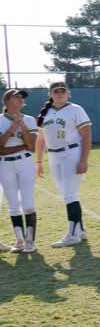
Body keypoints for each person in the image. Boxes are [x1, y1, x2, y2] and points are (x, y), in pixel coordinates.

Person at [33, 81, 92, 247]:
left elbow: (86, 135)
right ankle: (80, 230)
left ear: (68, 94)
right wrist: (38, 161)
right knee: (67, 194)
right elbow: (40, 139)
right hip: (53, 156)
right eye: (56, 91)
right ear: (50, 95)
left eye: (62, 91)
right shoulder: (45, 112)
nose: (59, 94)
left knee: (70, 194)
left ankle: (72, 235)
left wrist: (83, 160)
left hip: (71, 153)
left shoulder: (76, 109)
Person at [0, 89, 38, 253]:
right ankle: (19, 241)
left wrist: (21, 126)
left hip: (25, 162)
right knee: (13, 204)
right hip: (4, 165)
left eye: (22, 97)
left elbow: (31, 146)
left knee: (28, 203)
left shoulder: (29, 119)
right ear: (7, 101)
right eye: (16, 97)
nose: (21, 99)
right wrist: (12, 128)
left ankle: (30, 242)